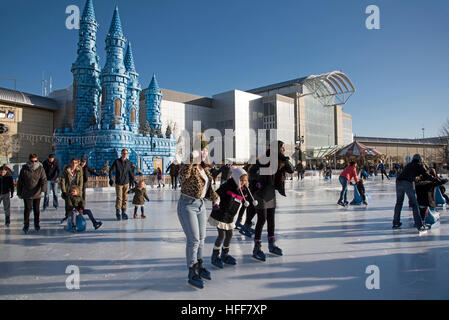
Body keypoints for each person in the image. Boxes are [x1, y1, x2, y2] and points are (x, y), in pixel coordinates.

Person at [177, 144, 220, 289]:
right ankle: (192, 270)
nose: (205, 153)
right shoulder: (188, 166)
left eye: (206, 150)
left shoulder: (204, 169)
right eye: (202, 150)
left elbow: (208, 190)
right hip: (187, 205)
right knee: (194, 239)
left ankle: (200, 265)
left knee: (201, 239)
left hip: (201, 205)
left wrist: (216, 198)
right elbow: (183, 177)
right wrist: (191, 158)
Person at [249, 141, 294, 262]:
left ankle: (271, 244)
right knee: (262, 219)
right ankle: (257, 248)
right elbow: (251, 172)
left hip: (270, 193)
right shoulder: (264, 159)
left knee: (271, 220)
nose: (283, 150)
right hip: (260, 192)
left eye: (283, 149)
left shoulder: (281, 161)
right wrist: (257, 180)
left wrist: (282, 157)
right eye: (282, 148)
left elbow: (291, 170)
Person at [208, 167, 257, 268]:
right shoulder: (227, 186)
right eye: (241, 180)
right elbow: (216, 194)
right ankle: (215, 256)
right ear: (235, 178)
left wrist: (255, 189)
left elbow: (245, 199)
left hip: (230, 216)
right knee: (221, 236)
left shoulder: (243, 189)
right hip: (220, 214)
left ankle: (225, 254)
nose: (243, 182)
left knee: (229, 235)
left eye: (245, 180)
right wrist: (216, 203)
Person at [393, 154, 438, 233]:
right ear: (420, 160)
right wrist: (435, 179)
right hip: (407, 182)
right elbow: (426, 174)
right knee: (414, 204)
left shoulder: (408, 165)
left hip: (399, 182)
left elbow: (409, 174)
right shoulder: (419, 165)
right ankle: (420, 225)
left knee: (399, 203)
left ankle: (396, 223)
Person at [17, 154, 47, 234]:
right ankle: (26, 225)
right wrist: (19, 192)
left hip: (37, 192)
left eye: (35, 161)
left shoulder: (40, 168)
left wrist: (43, 190)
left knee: (36, 209)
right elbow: (20, 181)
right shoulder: (24, 168)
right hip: (26, 192)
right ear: (29, 160)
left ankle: (36, 224)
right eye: (32, 161)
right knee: (27, 209)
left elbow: (44, 180)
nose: (34, 162)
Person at [109, 149, 137, 221]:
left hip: (126, 183)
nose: (125, 154)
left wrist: (134, 180)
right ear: (121, 154)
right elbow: (111, 170)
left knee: (125, 198)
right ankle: (118, 212)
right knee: (119, 198)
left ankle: (124, 212)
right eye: (123, 153)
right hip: (119, 183)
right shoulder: (117, 161)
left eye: (126, 153)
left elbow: (131, 172)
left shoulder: (128, 162)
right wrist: (111, 178)